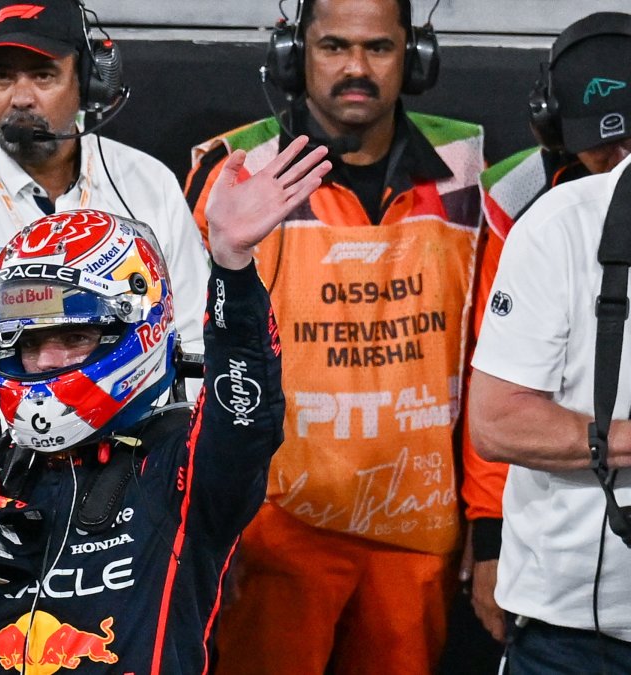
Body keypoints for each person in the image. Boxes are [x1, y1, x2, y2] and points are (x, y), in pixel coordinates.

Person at [0, 129, 332, 671]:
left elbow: (247, 412)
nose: (45, 362)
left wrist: (232, 264)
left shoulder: (182, 464)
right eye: (28, 342)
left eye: (73, 338)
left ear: (135, 331)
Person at [184, 0, 484, 672]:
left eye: (379, 48)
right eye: (333, 47)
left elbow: (489, 355)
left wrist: (487, 527)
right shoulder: (237, 168)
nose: (356, 67)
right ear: (295, 54)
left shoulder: (468, 168)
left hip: (418, 528)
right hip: (273, 534)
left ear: (416, 55)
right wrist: (203, 526)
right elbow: (190, 357)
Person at [0, 0, 211, 452]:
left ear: (88, 81)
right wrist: (32, 429)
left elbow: (199, 345)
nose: (21, 97)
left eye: (43, 75)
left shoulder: (150, 186)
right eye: (2, 76)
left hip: (139, 476)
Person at [462, 12, 631, 644]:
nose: (615, 165)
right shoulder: (533, 208)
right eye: (601, 147)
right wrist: (489, 535)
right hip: (572, 601)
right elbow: (498, 410)